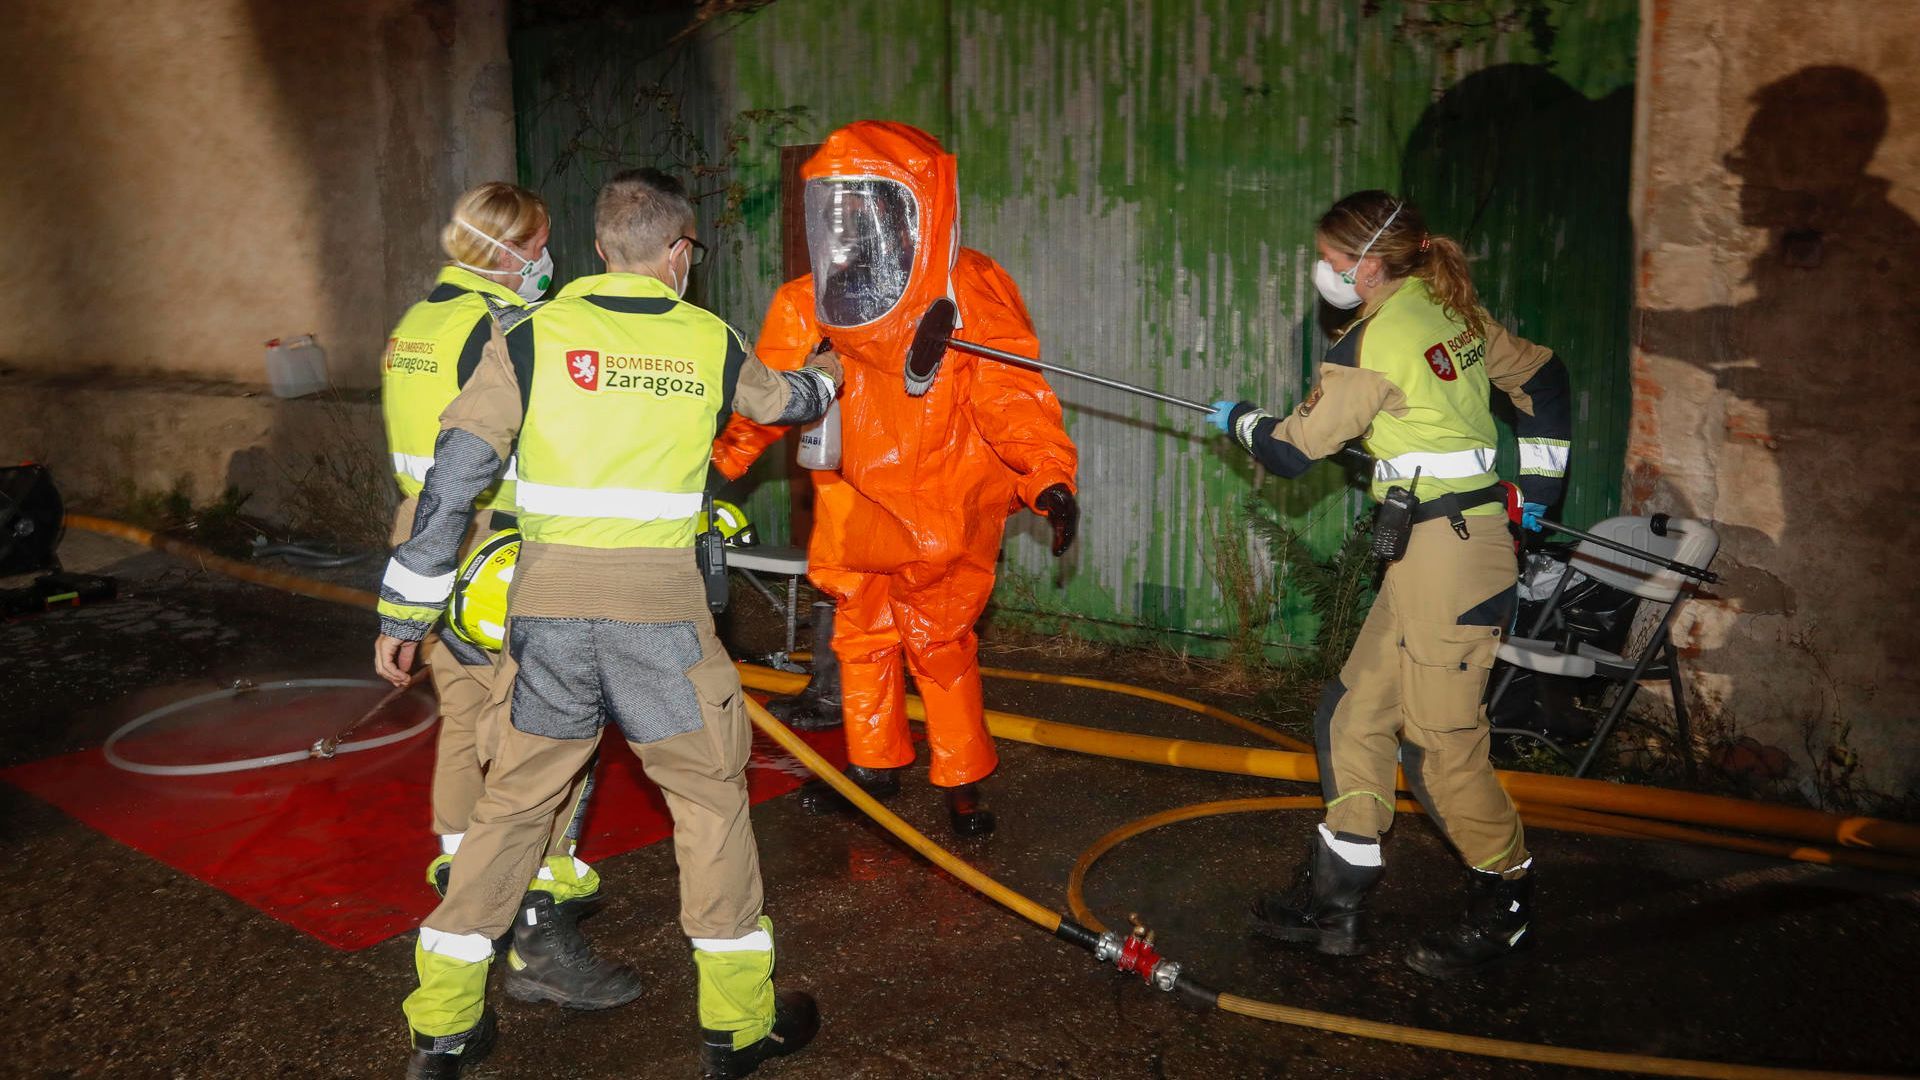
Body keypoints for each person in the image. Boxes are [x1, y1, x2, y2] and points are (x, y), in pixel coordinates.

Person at [375, 168, 841, 1079]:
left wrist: (406, 610)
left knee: (511, 808)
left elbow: (455, 476)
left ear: (597, 248)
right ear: (678, 253)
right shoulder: (708, 339)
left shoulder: (532, 335)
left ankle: (442, 1027)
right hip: (660, 631)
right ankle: (737, 1030)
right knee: (708, 805)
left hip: (544, 623)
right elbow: (781, 404)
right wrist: (829, 374)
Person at [1207, 190, 1571, 978]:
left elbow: (1291, 453)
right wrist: (1539, 494)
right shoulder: (1450, 311)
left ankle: (1506, 906)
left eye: (1333, 258)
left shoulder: (1369, 344)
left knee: (1440, 749)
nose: (1326, 271)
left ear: (1368, 263)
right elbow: (1543, 379)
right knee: (1354, 716)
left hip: (1450, 556)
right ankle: (1334, 905)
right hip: (1432, 550)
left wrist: (1241, 422)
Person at [709, 121, 1080, 837]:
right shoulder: (810, 301)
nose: (855, 220)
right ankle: (873, 770)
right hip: (856, 511)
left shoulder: (967, 289)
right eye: (842, 204)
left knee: (940, 646)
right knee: (861, 639)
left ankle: (963, 780)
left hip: (944, 505)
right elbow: (773, 396)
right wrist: (720, 464)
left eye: (872, 202)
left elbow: (1010, 396)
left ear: (919, 205)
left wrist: (1047, 478)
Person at [377, 182, 622, 1007]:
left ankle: (462, 878)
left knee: (463, 719)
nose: (548, 258)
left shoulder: (417, 322)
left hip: (425, 542)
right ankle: (535, 926)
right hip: (500, 549)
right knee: (547, 735)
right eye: (543, 241)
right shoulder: (504, 330)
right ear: (513, 249)